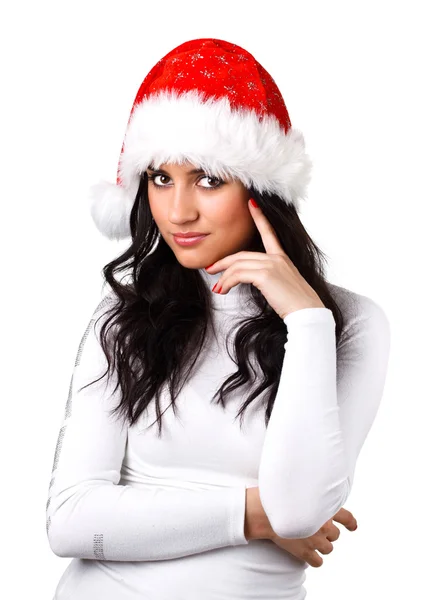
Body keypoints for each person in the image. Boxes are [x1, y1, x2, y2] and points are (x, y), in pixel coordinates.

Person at [46, 38, 391, 600]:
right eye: (160, 178)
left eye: (208, 179)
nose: (178, 211)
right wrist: (253, 514)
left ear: (261, 187)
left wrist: (305, 318)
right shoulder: (128, 314)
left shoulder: (347, 324)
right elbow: (70, 521)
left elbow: (300, 510)